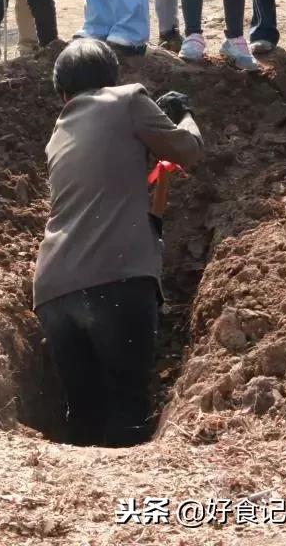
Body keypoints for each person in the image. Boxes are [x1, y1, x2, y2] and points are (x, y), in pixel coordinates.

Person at [34, 39, 203, 447]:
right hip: (117, 278)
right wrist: (183, 115)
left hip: (54, 291)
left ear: (63, 94)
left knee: (83, 416)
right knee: (128, 409)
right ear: (112, 79)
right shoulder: (128, 100)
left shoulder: (57, 136)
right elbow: (188, 150)